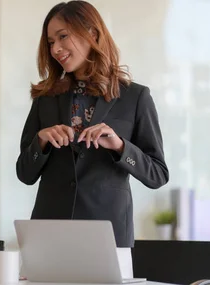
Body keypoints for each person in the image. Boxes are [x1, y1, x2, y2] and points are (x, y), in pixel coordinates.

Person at [16, 0, 169, 268]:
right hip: (49, 234)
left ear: (92, 34)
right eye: (51, 42)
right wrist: (41, 141)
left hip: (108, 236)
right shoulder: (46, 98)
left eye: (63, 37)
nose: (56, 49)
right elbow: (24, 173)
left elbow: (157, 174)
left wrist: (120, 146)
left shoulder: (135, 97)